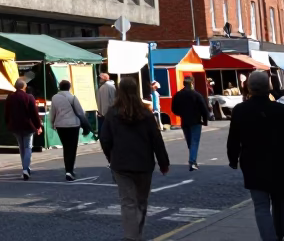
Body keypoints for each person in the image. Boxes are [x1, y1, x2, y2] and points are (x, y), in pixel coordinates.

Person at [228, 70, 284, 241]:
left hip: (253, 164)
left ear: (249, 88)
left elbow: (233, 139)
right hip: (280, 163)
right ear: (269, 87)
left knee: (261, 206)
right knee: (279, 203)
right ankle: (278, 235)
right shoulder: (281, 110)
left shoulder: (240, 110)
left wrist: (233, 159)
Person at [100, 77, 170, 241]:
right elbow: (156, 139)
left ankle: (131, 236)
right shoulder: (145, 113)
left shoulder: (112, 113)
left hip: (120, 163)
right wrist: (163, 163)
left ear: (119, 92)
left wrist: (110, 157)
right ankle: (135, 234)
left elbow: (105, 139)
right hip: (143, 163)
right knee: (141, 201)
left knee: (127, 202)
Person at [49, 79, 89, 180]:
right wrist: (85, 125)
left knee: (66, 147)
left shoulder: (55, 98)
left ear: (59, 87)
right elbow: (80, 112)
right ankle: (69, 170)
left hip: (60, 125)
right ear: (69, 87)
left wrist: (52, 123)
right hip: (73, 125)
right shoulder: (73, 98)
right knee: (72, 148)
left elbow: (52, 112)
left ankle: (68, 169)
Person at [170, 76, 210, 171]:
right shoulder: (196, 95)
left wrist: (182, 114)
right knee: (194, 142)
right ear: (192, 83)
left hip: (184, 121)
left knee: (190, 142)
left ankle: (192, 159)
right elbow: (204, 109)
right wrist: (205, 120)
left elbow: (174, 109)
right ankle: (192, 162)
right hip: (196, 121)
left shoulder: (178, 95)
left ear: (184, 83)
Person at [5, 79, 42, 180]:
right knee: (28, 147)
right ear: (24, 87)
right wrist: (38, 125)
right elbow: (34, 113)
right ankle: (26, 168)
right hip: (27, 126)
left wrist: (8, 123)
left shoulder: (10, 97)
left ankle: (25, 168)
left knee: (21, 147)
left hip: (15, 126)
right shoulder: (29, 97)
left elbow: (7, 113)